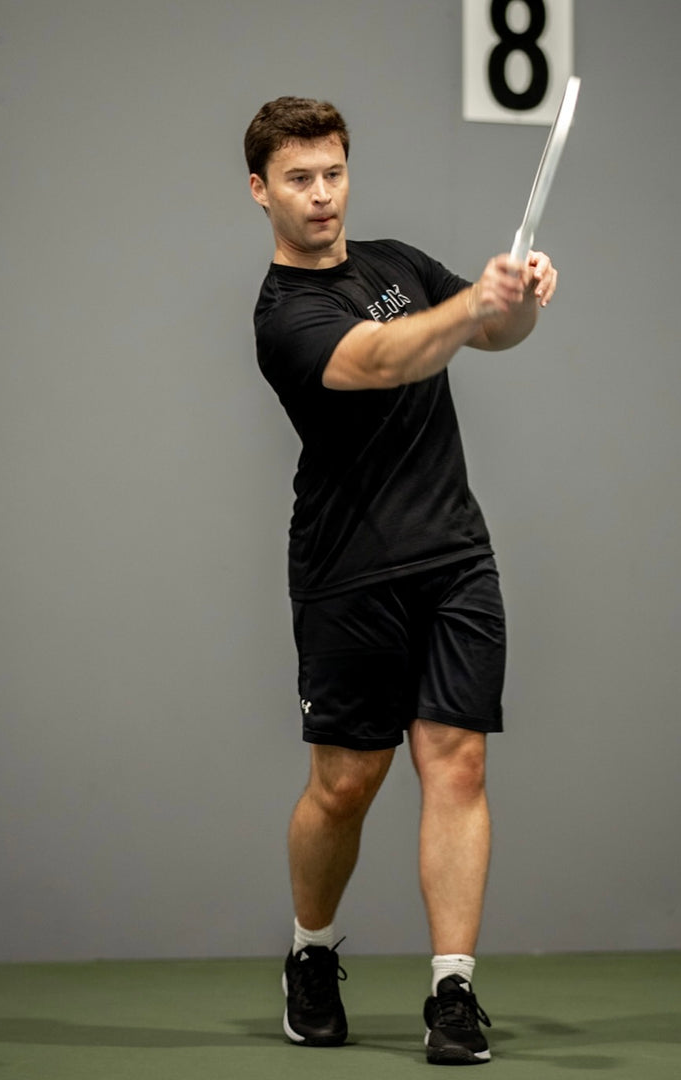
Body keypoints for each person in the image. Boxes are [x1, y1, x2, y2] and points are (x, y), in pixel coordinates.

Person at [245, 96, 557, 1066]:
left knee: (457, 763)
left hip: (456, 555)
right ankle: (307, 954)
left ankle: (452, 992)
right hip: (347, 573)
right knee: (346, 785)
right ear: (260, 191)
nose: (322, 192)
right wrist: (469, 307)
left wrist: (521, 304)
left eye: (333, 171)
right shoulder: (284, 317)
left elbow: (487, 337)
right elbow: (381, 359)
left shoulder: (396, 262)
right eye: (299, 177)